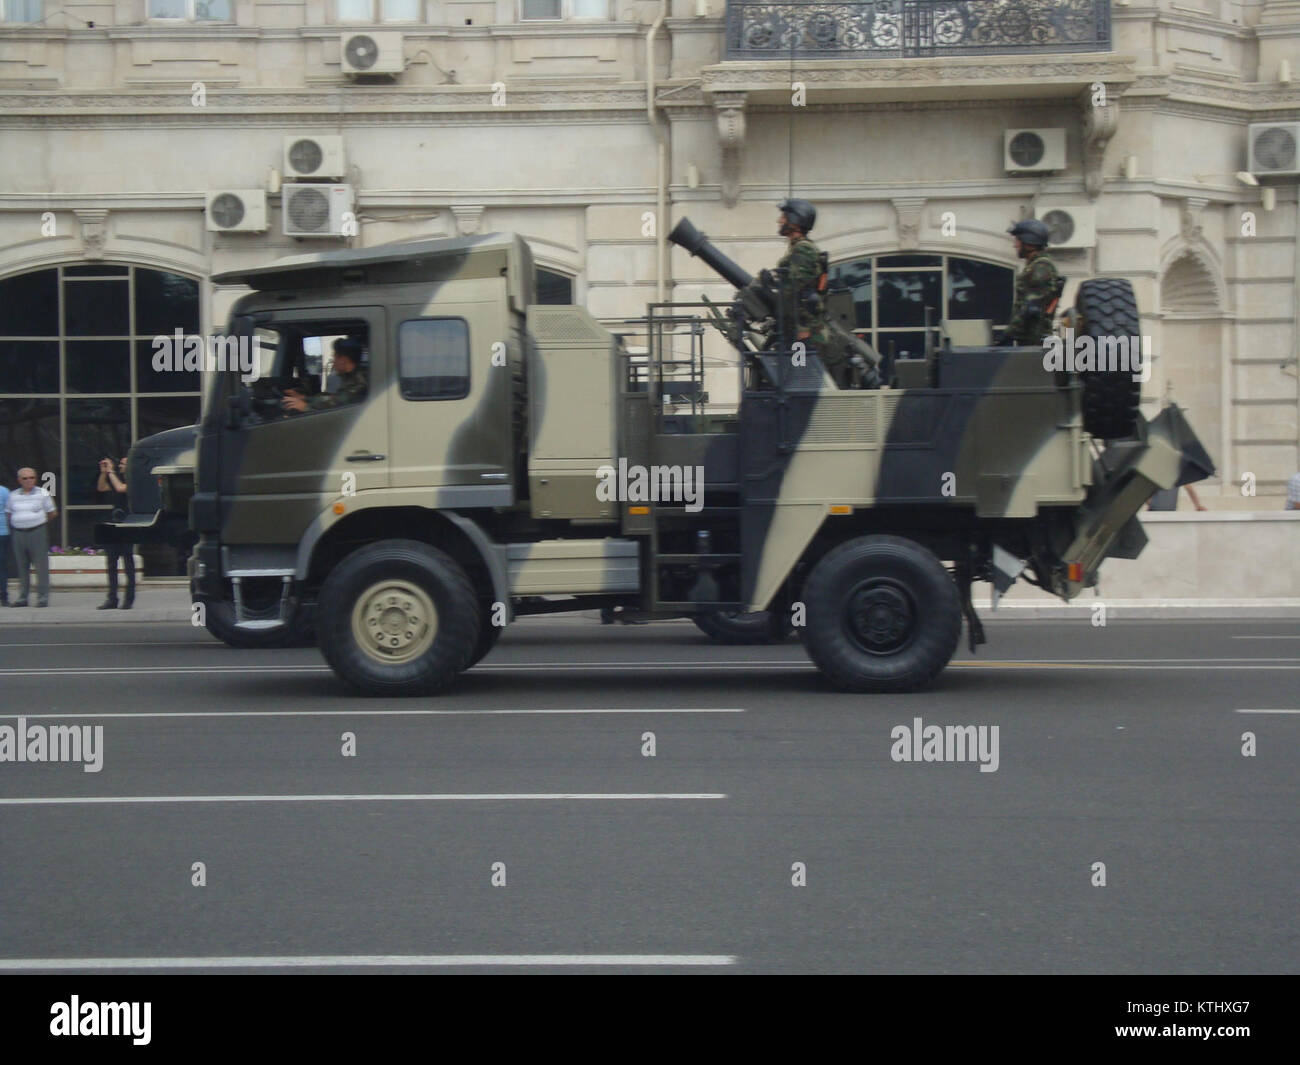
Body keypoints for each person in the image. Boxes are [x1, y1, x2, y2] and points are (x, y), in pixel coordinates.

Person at [751, 198, 854, 387]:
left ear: (795, 220)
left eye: (783, 216)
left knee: (800, 382)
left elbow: (794, 288)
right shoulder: (797, 249)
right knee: (793, 377)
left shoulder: (804, 250)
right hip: (799, 330)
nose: (779, 221)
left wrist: (769, 287)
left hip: (804, 333)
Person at [1000, 219, 1062, 346]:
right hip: (1030, 340)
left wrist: (1009, 334)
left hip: (1034, 341)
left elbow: (1030, 307)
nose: (1015, 245)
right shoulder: (1035, 266)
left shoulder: (1041, 268)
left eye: (1017, 241)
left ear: (1029, 243)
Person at [5, 467, 58, 608]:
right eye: (25, 478)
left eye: (32, 478)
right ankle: (23, 597)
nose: (29, 481)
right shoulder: (13, 495)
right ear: (19, 480)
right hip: (18, 533)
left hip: (37, 532)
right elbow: (9, 513)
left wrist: (37, 521)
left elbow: (52, 512)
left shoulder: (42, 493)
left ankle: (42, 598)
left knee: (41, 566)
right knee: (22, 566)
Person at [281, 337, 367, 413]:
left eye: (335, 357)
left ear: (343, 360)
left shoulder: (360, 383)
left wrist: (305, 407)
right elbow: (334, 398)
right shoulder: (350, 376)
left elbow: (338, 405)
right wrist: (304, 398)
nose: (333, 361)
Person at [96, 456, 135, 610]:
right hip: (113, 526)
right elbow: (101, 488)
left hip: (128, 526)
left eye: (123, 464)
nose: (120, 466)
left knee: (128, 564)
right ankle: (112, 598)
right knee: (111, 564)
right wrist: (104, 473)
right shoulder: (115, 479)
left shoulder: (135, 480)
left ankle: (129, 599)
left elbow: (121, 488)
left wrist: (111, 472)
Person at [0, 476, 9, 606]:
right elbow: (9, 512)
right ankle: (4, 597)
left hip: (2, 532)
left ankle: (4, 595)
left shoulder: (4, 491)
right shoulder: (5, 491)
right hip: (3, 532)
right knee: (2, 567)